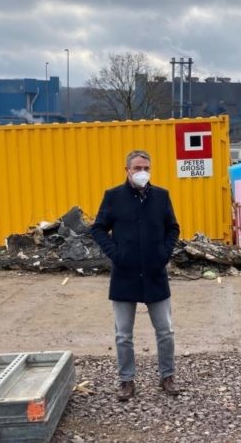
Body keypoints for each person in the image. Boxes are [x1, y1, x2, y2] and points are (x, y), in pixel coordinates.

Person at [91, 150, 181, 401]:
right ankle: (126, 380)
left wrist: (164, 253)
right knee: (123, 334)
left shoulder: (161, 197)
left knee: (165, 330)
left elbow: (173, 227)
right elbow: (98, 228)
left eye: (146, 168)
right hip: (125, 274)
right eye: (137, 168)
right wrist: (116, 254)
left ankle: (167, 376)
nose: (142, 172)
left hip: (155, 273)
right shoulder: (113, 197)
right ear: (127, 170)